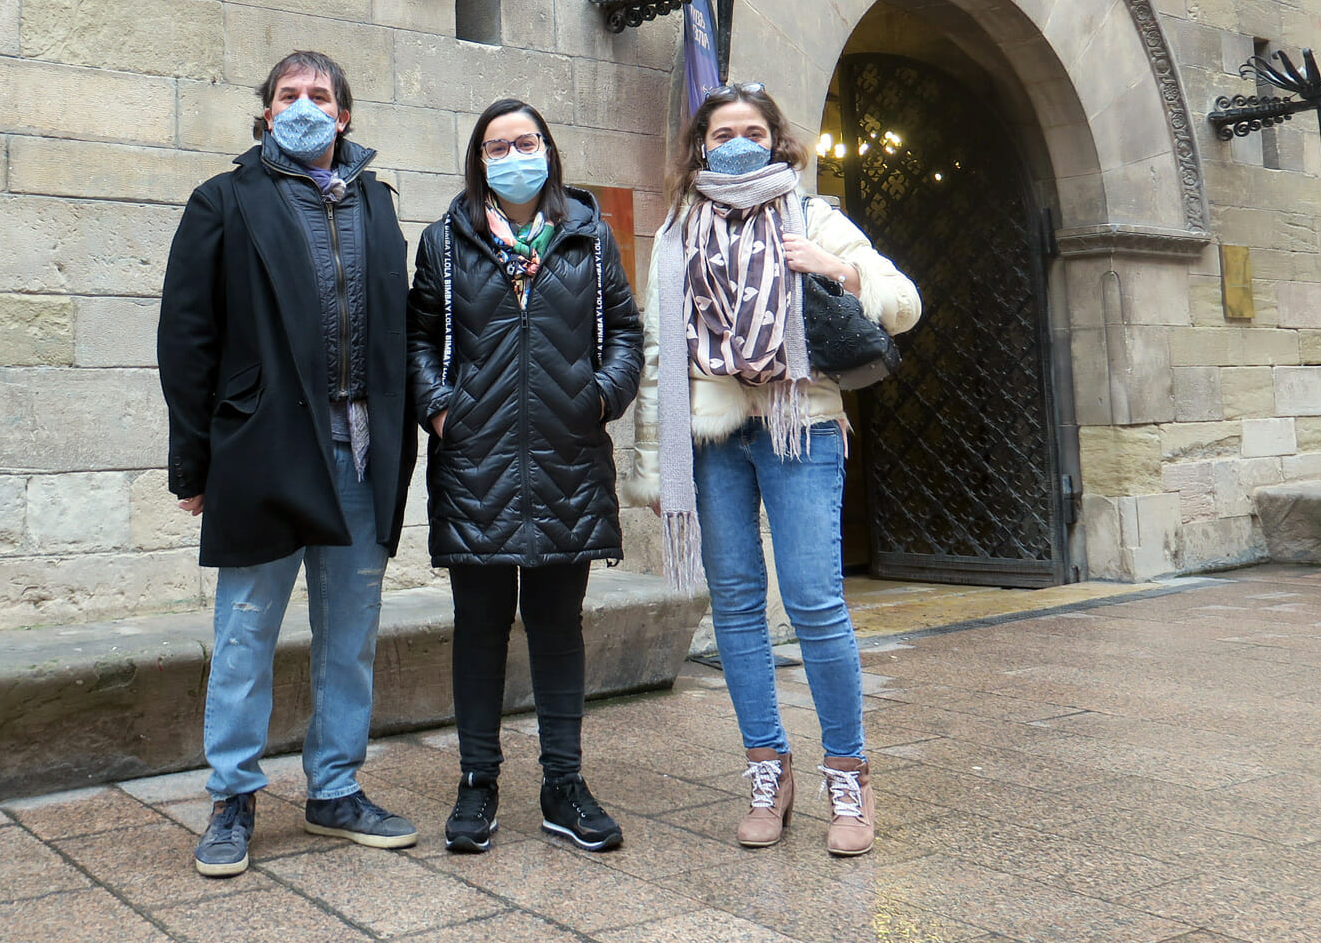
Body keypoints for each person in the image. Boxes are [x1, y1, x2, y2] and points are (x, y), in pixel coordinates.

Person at [621, 82, 920, 856]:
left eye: (753, 129)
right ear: (700, 146)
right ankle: (766, 766)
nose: (738, 142)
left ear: (779, 140)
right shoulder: (678, 234)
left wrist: (838, 271)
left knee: (817, 602)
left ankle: (848, 777)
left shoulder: (813, 216)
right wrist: (656, 471)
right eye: (723, 133)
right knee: (737, 609)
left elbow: (905, 302)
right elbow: (660, 358)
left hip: (802, 429)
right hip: (715, 437)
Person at [158, 51, 419, 878]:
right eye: (287, 95)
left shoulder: (379, 204)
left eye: (319, 96)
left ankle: (335, 788)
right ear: (265, 112)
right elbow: (186, 340)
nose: (303, 106)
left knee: (350, 638)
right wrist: (191, 465)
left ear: (345, 116)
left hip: (360, 452)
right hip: (262, 451)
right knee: (245, 633)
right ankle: (232, 797)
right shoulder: (223, 201)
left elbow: (398, 330)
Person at [407, 99, 644, 854]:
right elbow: (415, 340)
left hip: (566, 461)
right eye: (497, 145)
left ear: (549, 149)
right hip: (473, 462)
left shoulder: (588, 235)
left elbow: (627, 333)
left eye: (527, 141)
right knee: (477, 628)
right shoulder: (444, 243)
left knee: (557, 628)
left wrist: (601, 395)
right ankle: (477, 783)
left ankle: (563, 785)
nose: (514, 155)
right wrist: (441, 410)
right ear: (479, 160)